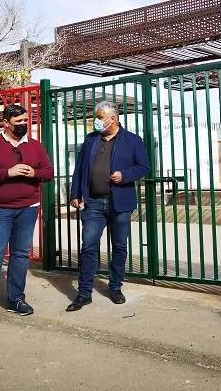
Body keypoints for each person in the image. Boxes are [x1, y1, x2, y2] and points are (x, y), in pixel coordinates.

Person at [0, 103, 54, 329]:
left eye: (25, 121)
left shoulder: (35, 146)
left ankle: (16, 299)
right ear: (6, 123)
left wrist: (34, 172)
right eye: (18, 122)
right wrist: (7, 172)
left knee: (20, 256)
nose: (23, 126)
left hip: (28, 208)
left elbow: (49, 172)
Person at [66, 100, 150, 310]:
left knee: (119, 247)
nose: (96, 121)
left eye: (100, 117)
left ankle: (115, 287)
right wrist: (75, 192)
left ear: (112, 119)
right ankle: (84, 293)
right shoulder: (91, 140)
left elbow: (143, 166)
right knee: (88, 247)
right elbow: (80, 168)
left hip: (120, 203)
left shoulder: (132, 140)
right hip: (93, 203)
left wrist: (125, 175)